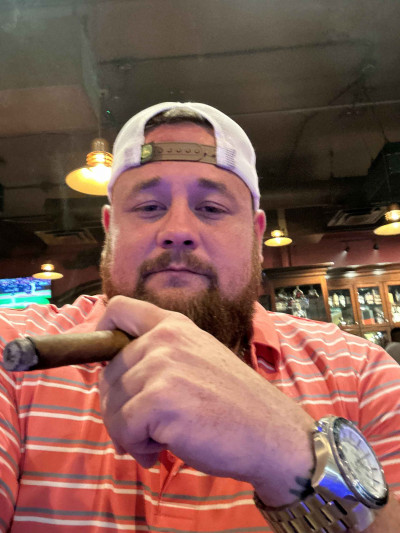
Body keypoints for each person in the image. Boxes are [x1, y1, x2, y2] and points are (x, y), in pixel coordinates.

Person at [0, 102, 399, 533]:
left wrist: (291, 451)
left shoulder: (362, 373)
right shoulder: (14, 353)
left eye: (211, 208)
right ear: (109, 229)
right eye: (148, 207)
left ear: (256, 235)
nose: (178, 230)